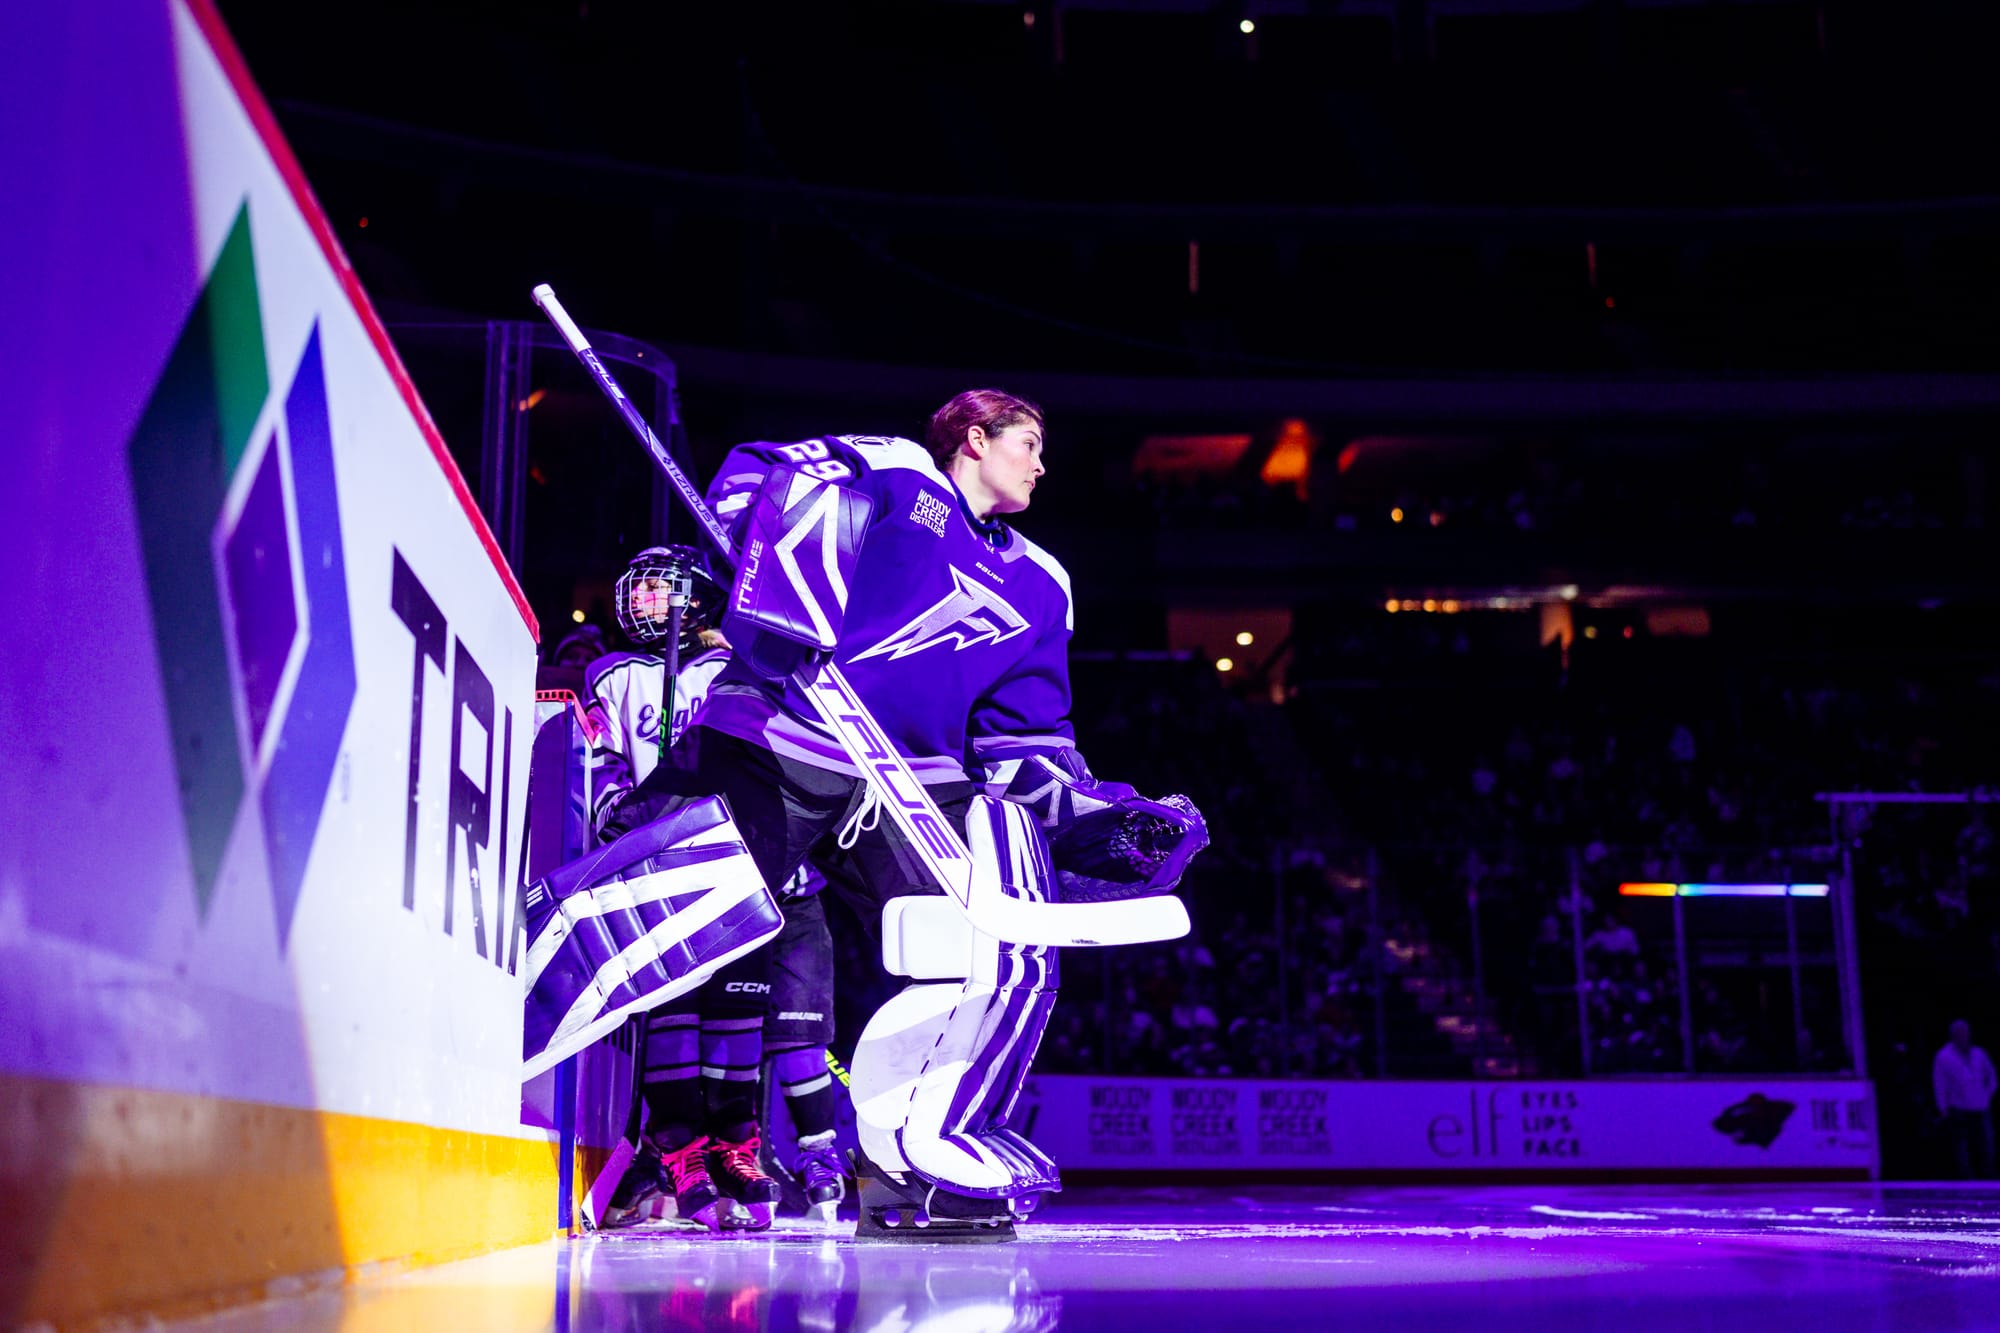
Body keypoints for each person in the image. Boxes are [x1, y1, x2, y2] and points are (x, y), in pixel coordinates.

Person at [606, 390, 1204, 1236]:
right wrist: (786, 601)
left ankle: (912, 1154)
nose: (1040, 463)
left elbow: (1021, 743)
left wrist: (1090, 819)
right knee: (671, 927)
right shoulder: (895, 472)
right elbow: (767, 476)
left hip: (907, 782)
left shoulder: (1043, 582)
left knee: (988, 937)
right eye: (1027, 442)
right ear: (973, 438)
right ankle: (660, 1145)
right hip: (777, 738)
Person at [1933, 1019, 1996, 1179]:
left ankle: (1988, 1178)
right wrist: (1943, 1107)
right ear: (1953, 1036)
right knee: (1963, 1150)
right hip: (1959, 1109)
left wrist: (1986, 1095)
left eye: (1966, 1033)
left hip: (1980, 1107)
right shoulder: (1944, 1056)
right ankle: (1967, 1181)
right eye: (1960, 1033)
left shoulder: (1978, 1053)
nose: (1964, 1036)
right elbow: (1940, 1083)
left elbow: (1992, 1076)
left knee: (1986, 1146)